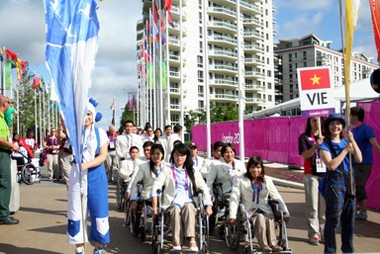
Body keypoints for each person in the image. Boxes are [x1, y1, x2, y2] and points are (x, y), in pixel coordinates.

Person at [151, 143, 213, 252]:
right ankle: (176, 241)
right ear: (173, 155)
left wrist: (208, 205)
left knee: (189, 207)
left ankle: (192, 240)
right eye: (177, 155)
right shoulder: (167, 169)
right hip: (172, 202)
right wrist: (155, 206)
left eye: (182, 155)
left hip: (189, 200)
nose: (179, 158)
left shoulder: (192, 170)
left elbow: (203, 187)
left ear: (186, 156)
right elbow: (156, 186)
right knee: (175, 210)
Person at [67, 100, 110, 254]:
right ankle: (79, 249)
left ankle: (98, 248)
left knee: (99, 211)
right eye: (83, 113)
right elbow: (63, 119)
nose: (86, 117)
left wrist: (86, 165)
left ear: (94, 116)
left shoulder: (101, 133)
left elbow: (103, 155)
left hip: (96, 175)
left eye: (89, 113)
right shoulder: (74, 132)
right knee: (76, 211)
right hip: (77, 175)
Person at [319, 113, 362, 253]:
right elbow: (331, 165)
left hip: (349, 183)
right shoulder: (325, 146)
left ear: (342, 126)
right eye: (332, 123)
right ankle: (330, 251)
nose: (335, 126)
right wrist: (345, 151)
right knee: (333, 221)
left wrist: (352, 141)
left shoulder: (347, 142)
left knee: (349, 221)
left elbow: (359, 159)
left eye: (338, 123)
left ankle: (348, 250)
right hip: (334, 185)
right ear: (327, 127)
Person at [228, 156, 289, 252]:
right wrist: (232, 215)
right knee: (260, 217)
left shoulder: (267, 180)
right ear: (248, 168)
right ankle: (264, 245)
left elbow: (276, 196)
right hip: (249, 210)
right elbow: (234, 198)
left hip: (265, 208)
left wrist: (285, 213)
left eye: (258, 167)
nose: (255, 170)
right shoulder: (240, 180)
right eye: (253, 167)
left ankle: (273, 244)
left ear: (262, 168)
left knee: (269, 218)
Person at [298, 117, 325, 245]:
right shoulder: (304, 137)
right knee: (313, 206)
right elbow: (305, 155)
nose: (316, 123)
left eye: (319, 120)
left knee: (324, 207)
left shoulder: (327, 136)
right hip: (311, 174)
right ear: (309, 122)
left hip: (325, 175)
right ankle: (314, 233)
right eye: (314, 120)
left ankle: (325, 232)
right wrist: (315, 146)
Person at [350, 106, 380, 221]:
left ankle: (363, 211)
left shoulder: (366, 129)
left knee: (359, 185)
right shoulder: (351, 131)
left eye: (351, 115)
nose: (349, 117)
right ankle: (356, 209)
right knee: (353, 186)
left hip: (364, 163)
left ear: (355, 116)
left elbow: (375, 144)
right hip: (353, 162)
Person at [129, 144, 168, 214]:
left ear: (162, 154)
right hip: (148, 194)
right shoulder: (143, 167)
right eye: (152, 154)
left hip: (164, 194)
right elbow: (135, 182)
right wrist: (134, 199)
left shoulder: (167, 167)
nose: (155, 156)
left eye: (158, 154)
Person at [0, 95, 20, 225]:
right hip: (2, 153)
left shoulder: (2, 118)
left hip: (4, 152)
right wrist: (12, 145)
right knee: (5, 183)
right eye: (8, 102)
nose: (9, 105)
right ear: (3, 103)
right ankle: (3, 215)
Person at [58, 122, 73, 187]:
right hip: (66, 153)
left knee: (76, 174)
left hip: (76, 154)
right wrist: (61, 130)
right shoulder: (65, 131)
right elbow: (60, 138)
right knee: (67, 173)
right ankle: (70, 189)